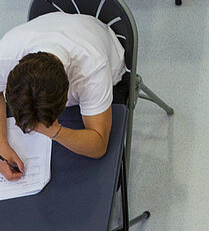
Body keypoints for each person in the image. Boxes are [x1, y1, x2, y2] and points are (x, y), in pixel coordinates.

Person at [0, 12, 127, 176]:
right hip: (57, 29)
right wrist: (2, 145)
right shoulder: (5, 54)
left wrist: (53, 131)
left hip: (105, 54)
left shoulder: (92, 69)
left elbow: (99, 145)